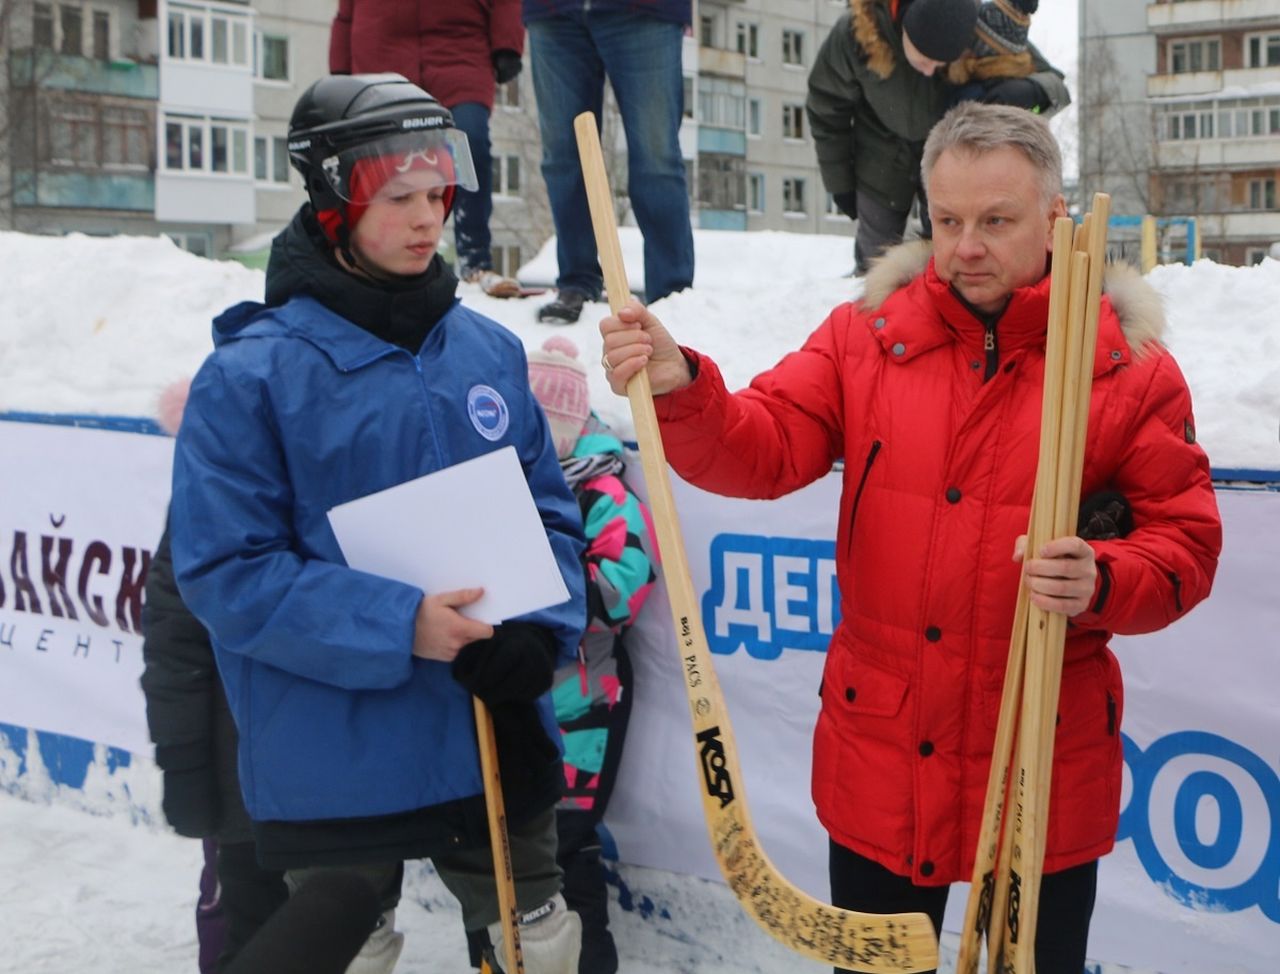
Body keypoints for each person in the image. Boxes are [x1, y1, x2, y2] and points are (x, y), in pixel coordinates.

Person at [598, 102, 1223, 974]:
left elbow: (1185, 548)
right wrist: (682, 389)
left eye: (996, 221)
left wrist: (1106, 577)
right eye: (948, 219)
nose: (965, 246)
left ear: (1055, 218)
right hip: (883, 753)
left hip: (1042, 755)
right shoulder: (868, 337)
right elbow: (763, 446)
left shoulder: (1124, 366)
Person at [168, 73, 587, 974]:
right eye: (399, 196)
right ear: (334, 201)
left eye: (439, 193)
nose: (428, 217)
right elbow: (226, 571)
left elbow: (551, 514)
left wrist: (540, 634)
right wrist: (400, 624)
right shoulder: (252, 375)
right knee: (347, 954)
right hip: (334, 744)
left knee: (539, 948)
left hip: (489, 726)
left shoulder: (488, 350)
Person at [464, 337, 660, 973]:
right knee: (493, 851)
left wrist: (536, 583)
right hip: (502, 696)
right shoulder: (494, 488)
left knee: (562, 853)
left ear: (574, 431)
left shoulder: (602, 493)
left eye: (550, 433)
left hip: (581, 701)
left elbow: (622, 586)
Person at [140, 379, 289, 974]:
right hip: (240, 782)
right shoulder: (202, 506)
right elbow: (174, 645)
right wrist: (184, 764)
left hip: (327, 777)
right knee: (242, 925)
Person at [806, 0, 1070, 275]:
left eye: (941, 64)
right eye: (924, 59)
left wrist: (1030, 91)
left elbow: (1055, 85)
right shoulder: (858, 30)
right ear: (905, 29)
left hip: (952, 167)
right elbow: (826, 107)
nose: (930, 70)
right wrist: (840, 182)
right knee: (876, 263)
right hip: (879, 157)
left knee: (948, 259)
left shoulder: (973, 21)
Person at [330, 0, 526, 298]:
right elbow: (346, 11)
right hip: (381, 52)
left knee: (468, 141)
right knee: (380, 163)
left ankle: (476, 261)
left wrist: (507, 44)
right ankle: (369, 260)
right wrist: (340, 69)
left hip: (459, 49)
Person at [524, 0, 695, 324]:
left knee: (655, 155)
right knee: (563, 152)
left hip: (645, 9)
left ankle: (672, 293)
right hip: (553, 11)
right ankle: (576, 280)